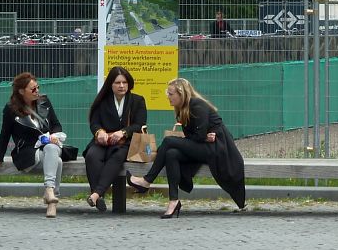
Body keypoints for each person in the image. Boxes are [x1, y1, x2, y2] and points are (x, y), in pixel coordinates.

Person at [127, 78, 246, 217]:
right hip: (205, 145)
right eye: (168, 93)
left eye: (171, 93)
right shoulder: (183, 108)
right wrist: (203, 137)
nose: (168, 96)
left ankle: (146, 181)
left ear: (181, 94)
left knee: (168, 141)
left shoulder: (197, 105)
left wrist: (203, 137)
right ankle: (173, 201)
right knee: (171, 154)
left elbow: (198, 136)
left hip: (217, 149)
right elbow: (196, 135)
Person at [0, 73, 69, 218]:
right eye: (33, 89)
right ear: (22, 91)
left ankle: (50, 192)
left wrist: (53, 135)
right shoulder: (11, 109)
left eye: (38, 87)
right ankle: (52, 201)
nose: (37, 91)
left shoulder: (44, 102)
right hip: (28, 152)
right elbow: (5, 133)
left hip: (50, 145)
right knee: (57, 161)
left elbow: (56, 125)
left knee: (51, 147)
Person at [84, 66, 148, 212]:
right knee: (92, 156)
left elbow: (140, 124)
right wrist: (99, 132)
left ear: (129, 83)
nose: (121, 86)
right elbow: (94, 122)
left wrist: (123, 132)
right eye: (117, 83)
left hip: (125, 143)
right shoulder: (102, 101)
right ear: (110, 85)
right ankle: (98, 195)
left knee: (118, 156)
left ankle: (96, 194)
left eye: (124, 82)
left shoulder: (137, 100)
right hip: (103, 141)